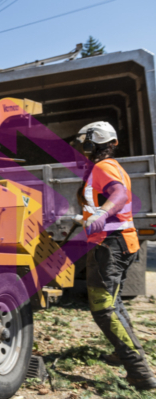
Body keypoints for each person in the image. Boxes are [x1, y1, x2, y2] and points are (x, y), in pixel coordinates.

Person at [74, 121, 156, 392]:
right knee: (114, 302)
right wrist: (84, 215)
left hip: (109, 245)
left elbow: (119, 195)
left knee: (103, 308)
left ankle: (139, 371)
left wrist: (101, 214)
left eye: (84, 141)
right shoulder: (111, 167)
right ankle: (125, 355)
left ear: (94, 141)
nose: (82, 147)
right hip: (121, 242)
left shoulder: (103, 167)